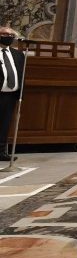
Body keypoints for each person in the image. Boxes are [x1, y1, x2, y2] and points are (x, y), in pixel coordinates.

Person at [0, 26, 25, 162]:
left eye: (11, 35)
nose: (8, 37)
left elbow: (21, 74)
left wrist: (20, 93)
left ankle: (1, 152)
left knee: (4, 124)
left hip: (10, 95)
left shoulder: (18, 55)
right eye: (4, 34)